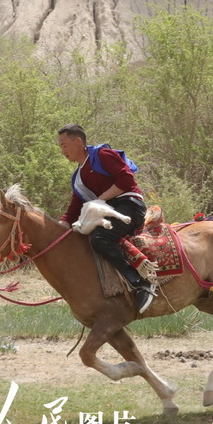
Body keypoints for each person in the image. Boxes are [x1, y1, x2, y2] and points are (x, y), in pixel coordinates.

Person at [57, 124, 155, 314]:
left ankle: (139, 281)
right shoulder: (78, 177)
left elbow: (127, 180)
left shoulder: (102, 155)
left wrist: (100, 200)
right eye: (60, 147)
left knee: (99, 238)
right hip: (108, 211)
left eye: (64, 145)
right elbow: (74, 209)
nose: (62, 151)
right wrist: (59, 227)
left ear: (78, 142)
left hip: (129, 206)